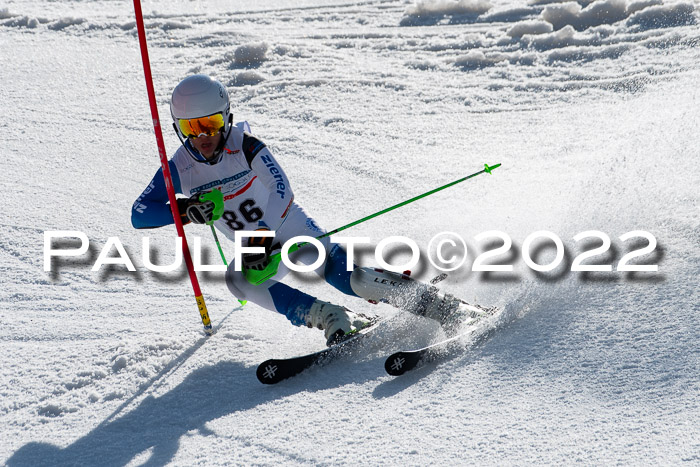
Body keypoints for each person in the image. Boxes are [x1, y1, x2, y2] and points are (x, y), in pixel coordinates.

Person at [132, 74, 474, 345]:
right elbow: (140, 212)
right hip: (258, 251)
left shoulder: (245, 145)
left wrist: (261, 237)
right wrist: (184, 209)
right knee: (237, 279)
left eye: (210, 123)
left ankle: (444, 306)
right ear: (179, 128)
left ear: (226, 118)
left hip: (287, 228)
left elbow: (282, 189)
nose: (202, 137)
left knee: (347, 279)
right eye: (192, 128)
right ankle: (333, 318)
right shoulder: (180, 167)